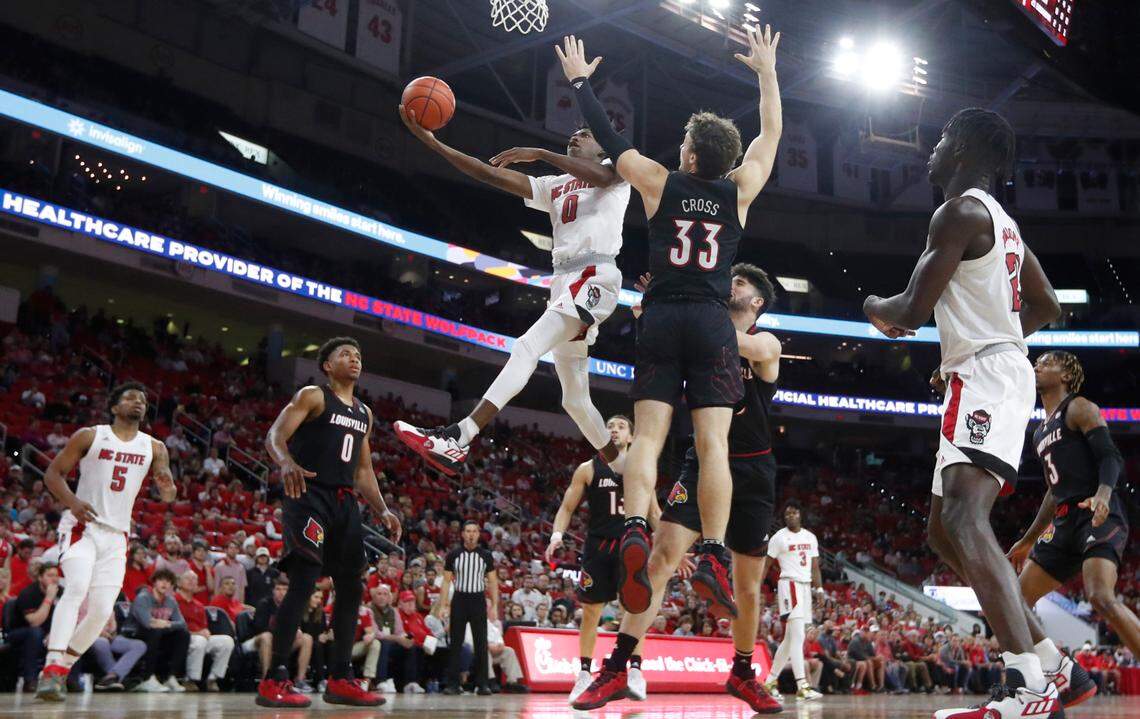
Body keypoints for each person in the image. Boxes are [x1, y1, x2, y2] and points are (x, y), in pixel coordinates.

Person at [555, 27, 782, 623]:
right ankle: (710, 549)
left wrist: (581, 81)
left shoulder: (660, 181)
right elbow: (772, 134)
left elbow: (608, 138)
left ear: (687, 155)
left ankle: (634, 527)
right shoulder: (739, 191)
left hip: (661, 315)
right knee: (712, 445)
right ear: (727, 161)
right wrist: (766, 72)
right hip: (711, 323)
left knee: (650, 438)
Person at [862, 108, 1064, 719]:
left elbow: (910, 310)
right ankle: (1054, 664)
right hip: (986, 371)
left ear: (963, 149)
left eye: (942, 138)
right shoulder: (1003, 223)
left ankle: (1028, 683)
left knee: (966, 518)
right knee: (943, 530)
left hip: (988, 376)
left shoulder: (958, 213)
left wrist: (872, 305)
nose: (931, 148)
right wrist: (991, 340)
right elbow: (1046, 305)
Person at [572, 265, 783, 713]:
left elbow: (723, 338)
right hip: (702, 463)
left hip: (752, 473)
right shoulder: (702, 333)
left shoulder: (766, 344)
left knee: (747, 586)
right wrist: (660, 309)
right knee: (659, 560)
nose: (731, 285)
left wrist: (677, 300)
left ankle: (743, 673)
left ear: (758, 302)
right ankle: (616, 667)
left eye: (740, 283)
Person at [394, 96, 632, 479]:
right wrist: (434, 144)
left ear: (603, 145)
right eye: (573, 132)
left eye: (585, 133)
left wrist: (539, 151)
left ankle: (461, 435)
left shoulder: (616, 169)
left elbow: (601, 178)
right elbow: (491, 176)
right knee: (574, 399)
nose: (575, 135)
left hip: (595, 274)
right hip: (563, 280)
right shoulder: (555, 185)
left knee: (526, 347)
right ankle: (624, 469)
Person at [258, 337, 401, 708]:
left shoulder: (364, 413)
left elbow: (364, 469)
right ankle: (273, 679)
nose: (354, 359)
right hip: (308, 494)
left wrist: (382, 509)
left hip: (344, 503)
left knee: (352, 587)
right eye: (345, 354)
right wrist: (285, 462)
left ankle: (340, 678)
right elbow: (274, 436)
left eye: (358, 354)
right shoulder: (313, 395)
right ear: (326, 364)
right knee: (304, 582)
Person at [1007, 350, 1137, 705]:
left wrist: (1103, 495)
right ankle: (1047, 682)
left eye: (1045, 362)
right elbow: (1053, 491)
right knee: (1013, 602)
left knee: (1100, 595)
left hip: (1096, 512)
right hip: (1063, 520)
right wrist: (1028, 539)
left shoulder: (1079, 408)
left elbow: (1111, 456)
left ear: (1065, 373)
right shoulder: (1039, 431)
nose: (1036, 366)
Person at [36, 382, 176, 701]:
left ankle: (60, 670)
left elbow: (168, 491)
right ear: (114, 407)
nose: (137, 402)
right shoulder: (90, 435)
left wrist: (168, 488)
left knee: (100, 612)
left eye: (142, 400)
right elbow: (52, 474)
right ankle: (51, 663)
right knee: (76, 587)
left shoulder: (155, 447)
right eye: (129, 398)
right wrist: (72, 502)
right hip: (82, 527)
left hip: (117, 536)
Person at [545, 414, 661, 703]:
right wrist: (556, 535)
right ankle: (584, 673)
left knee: (634, 608)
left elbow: (654, 514)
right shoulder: (588, 468)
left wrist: (674, 549)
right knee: (591, 611)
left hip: (630, 544)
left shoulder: (641, 467)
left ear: (631, 437)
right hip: (598, 547)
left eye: (621, 427)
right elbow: (567, 506)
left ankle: (635, 670)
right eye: (609, 427)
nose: (614, 430)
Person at [760, 501, 824, 702]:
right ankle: (802, 686)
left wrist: (819, 588)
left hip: (805, 587)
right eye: (787, 513)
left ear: (800, 514)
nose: (790, 516)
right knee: (797, 637)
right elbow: (766, 564)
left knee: (789, 641)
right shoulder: (778, 537)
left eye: (794, 512)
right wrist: (755, 587)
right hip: (790, 586)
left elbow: (815, 567)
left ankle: (769, 682)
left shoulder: (810, 537)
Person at [440, 521, 498, 695]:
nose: (471, 534)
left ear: (478, 534)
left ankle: (483, 684)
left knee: (481, 643)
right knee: (456, 643)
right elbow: (445, 581)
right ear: (463, 534)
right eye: (468, 531)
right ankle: (453, 684)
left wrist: (494, 605)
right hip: (459, 599)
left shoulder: (486, 555)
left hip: (478, 599)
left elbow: (493, 582)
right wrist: (444, 605)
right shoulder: (453, 555)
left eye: (474, 531)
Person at [122, 568, 191, 693]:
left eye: (168, 581)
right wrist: (160, 624)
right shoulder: (143, 598)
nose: (164, 584)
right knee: (154, 632)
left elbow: (182, 624)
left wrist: (167, 624)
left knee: (183, 634)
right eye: (161, 580)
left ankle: (171, 677)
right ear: (154, 582)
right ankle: (148, 678)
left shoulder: (171, 601)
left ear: (172, 585)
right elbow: (147, 623)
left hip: (158, 633)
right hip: (133, 633)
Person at [250, 577, 313, 690]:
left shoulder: (293, 606)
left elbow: (301, 626)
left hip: (281, 643)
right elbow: (259, 628)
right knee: (267, 637)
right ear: (273, 591)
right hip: (259, 640)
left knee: (307, 638)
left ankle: (300, 679)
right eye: (278, 589)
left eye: (284, 589)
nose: (281, 592)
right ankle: (266, 679)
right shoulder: (264, 604)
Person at [175, 570, 234, 691]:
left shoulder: (199, 605)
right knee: (200, 640)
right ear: (179, 583)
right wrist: (198, 633)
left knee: (227, 641)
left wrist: (206, 631)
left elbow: (203, 626)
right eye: (188, 579)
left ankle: (213, 678)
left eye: (194, 579)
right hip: (182, 638)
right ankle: (190, 680)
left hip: (199, 638)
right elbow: (176, 626)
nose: (192, 581)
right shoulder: (173, 601)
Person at [9, 562, 61, 692]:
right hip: (19, 633)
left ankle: (70, 680)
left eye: (56, 575)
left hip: (47, 632)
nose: (54, 579)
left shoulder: (62, 592)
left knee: (67, 634)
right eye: (50, 575)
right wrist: (49, 599)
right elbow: (35, 622)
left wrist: (55, 632)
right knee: (35, 632)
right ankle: (30, 680)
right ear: (40, 577)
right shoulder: (28, 593)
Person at [86, 613, 146, 692]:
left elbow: (113, 625)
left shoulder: (109, 604)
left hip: (111, 637)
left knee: (139, 645)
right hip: (91, 636)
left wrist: (111, 631)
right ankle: (118, 679)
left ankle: (112, 677)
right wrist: (100, 632)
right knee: (102, 642)